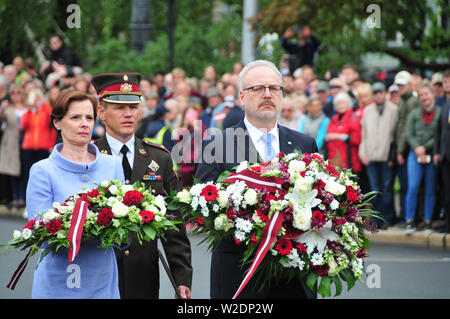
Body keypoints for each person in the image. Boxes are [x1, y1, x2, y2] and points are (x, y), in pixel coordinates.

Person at [195, 60, 318, 299]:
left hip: (293, 276)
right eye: (258, 88)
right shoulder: (217, 145)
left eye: (274, 88)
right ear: (242, 97)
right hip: (239, 274)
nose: (267, 94)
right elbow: (201, 206)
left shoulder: (305, 143)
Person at [91, 72, 192, 299]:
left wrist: (182, 278)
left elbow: (173, 223)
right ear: (102, 112)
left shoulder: (159, 158)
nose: (128, 114)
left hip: (143, 277)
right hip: (99, 274)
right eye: (118, 107)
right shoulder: (89, 156)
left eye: (133, 107)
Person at [26, 89, 124, 298]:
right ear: (57, 123)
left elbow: (122, 236)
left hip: (102, 284)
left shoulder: (113, 164)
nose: (84, 123)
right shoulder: (42, 170)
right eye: (75, 117)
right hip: (56, 284)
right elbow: (40, 235)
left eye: (89, 117)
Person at [359, 82, 398, 229]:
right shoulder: (368, 110)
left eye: (380, 93)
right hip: (371, 155)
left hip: (386, 155)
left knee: (387, 189)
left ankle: (386, 218)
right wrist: (363, 153)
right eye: (375, 93)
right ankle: (377, 220)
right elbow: (364, 133)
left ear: (385, 94)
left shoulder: (393, 109)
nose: (378, 96)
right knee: (375, 189)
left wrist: (392, 156)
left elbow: (395, 134)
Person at [404, 84, 441, 233]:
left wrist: (426, 147)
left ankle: (427, 220)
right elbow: (409, 133)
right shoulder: (414, 113)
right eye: (421, 95)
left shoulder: (439, 112)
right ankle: (409, 220)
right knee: (413, 186)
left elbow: (439, 134)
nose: (424, 97)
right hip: (415, 153)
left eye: (426, 94)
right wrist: (417, 147)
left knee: (430, 188)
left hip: (432, 153)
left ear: (433, 95)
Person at [394, 71, 422, 223]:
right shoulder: (403, 100)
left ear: (410, 85)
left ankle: (410, 217)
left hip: (408, 147)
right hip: (403, 145)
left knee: (410, 185)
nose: (400, 87)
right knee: (406, 185)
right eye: (398, 85)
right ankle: (406, 215)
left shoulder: (412, 101)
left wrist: (399, 150)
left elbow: (406, 127)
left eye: (402, 85)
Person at [324, 92, 362, 174]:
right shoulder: (333, 119)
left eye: (343, 103)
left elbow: (356, 139)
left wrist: (338, 136)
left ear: (348, 104)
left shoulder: (353, 117)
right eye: (338, 103)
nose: (341, 105)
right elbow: (327, 138)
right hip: (333, 161)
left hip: (349, 162)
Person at [433, 70, 450, 233]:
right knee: (446, 190)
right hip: (445, 154)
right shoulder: (444, 105)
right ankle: (447, 222)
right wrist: (437, 151)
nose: (447, 85)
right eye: (445, 82)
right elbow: (439, 130)